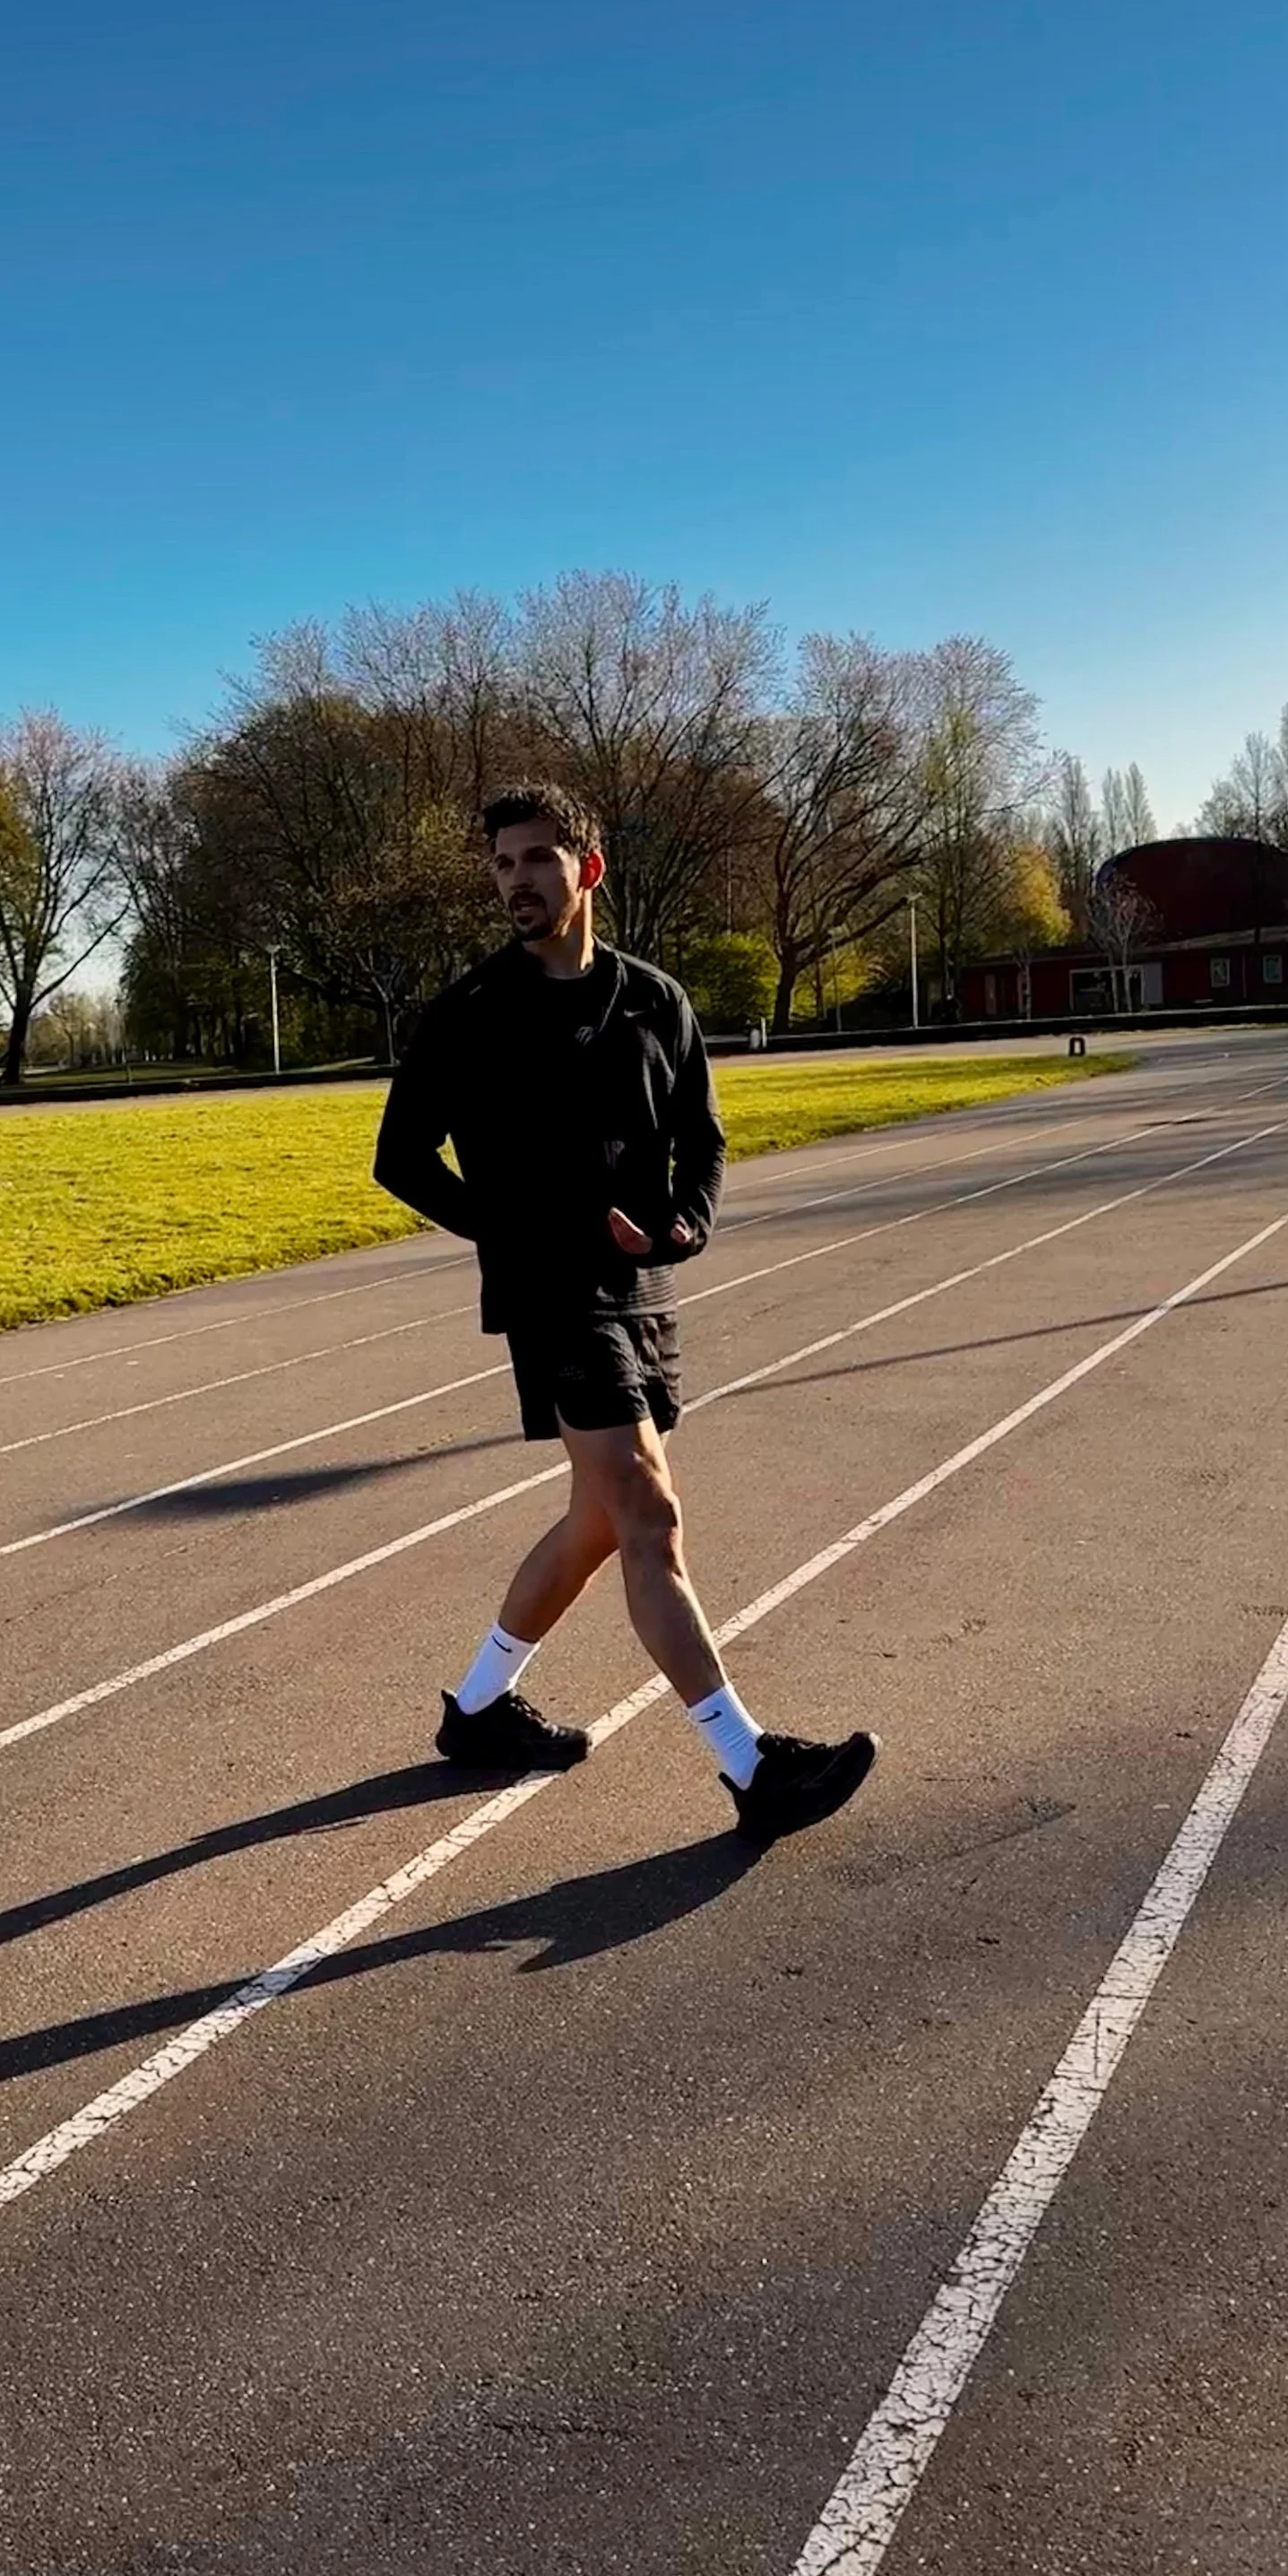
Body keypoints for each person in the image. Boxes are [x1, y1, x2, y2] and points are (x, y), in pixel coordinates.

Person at [373, 780, 878, 1843]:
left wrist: (684, 1228)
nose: (515, 880)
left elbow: (703, 1142)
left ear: (586, 870)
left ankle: (476, 1710)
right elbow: (400, 1159)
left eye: (535, 860)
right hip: (552, 1299)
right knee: (649, 1514)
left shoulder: (656, 1000)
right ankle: (749, 1763)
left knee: (600, 1521)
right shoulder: (467, 1014)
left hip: (641, 1289)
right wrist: (504, 1235)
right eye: (502, 863)